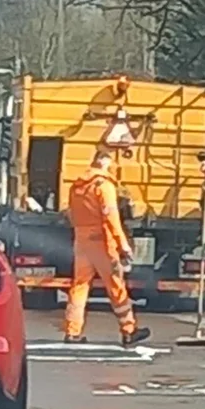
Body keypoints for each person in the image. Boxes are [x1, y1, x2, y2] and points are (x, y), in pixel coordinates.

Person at [63, 149, 151, 347]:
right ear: (104, 162)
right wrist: (123, 245)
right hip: (102, 241)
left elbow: (71, 213)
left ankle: (72, 331)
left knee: (80, 285)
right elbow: (111, 218)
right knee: (115, 285)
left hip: (82, 240)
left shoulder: (77, 186)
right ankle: (129, 330)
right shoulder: (103, 185)